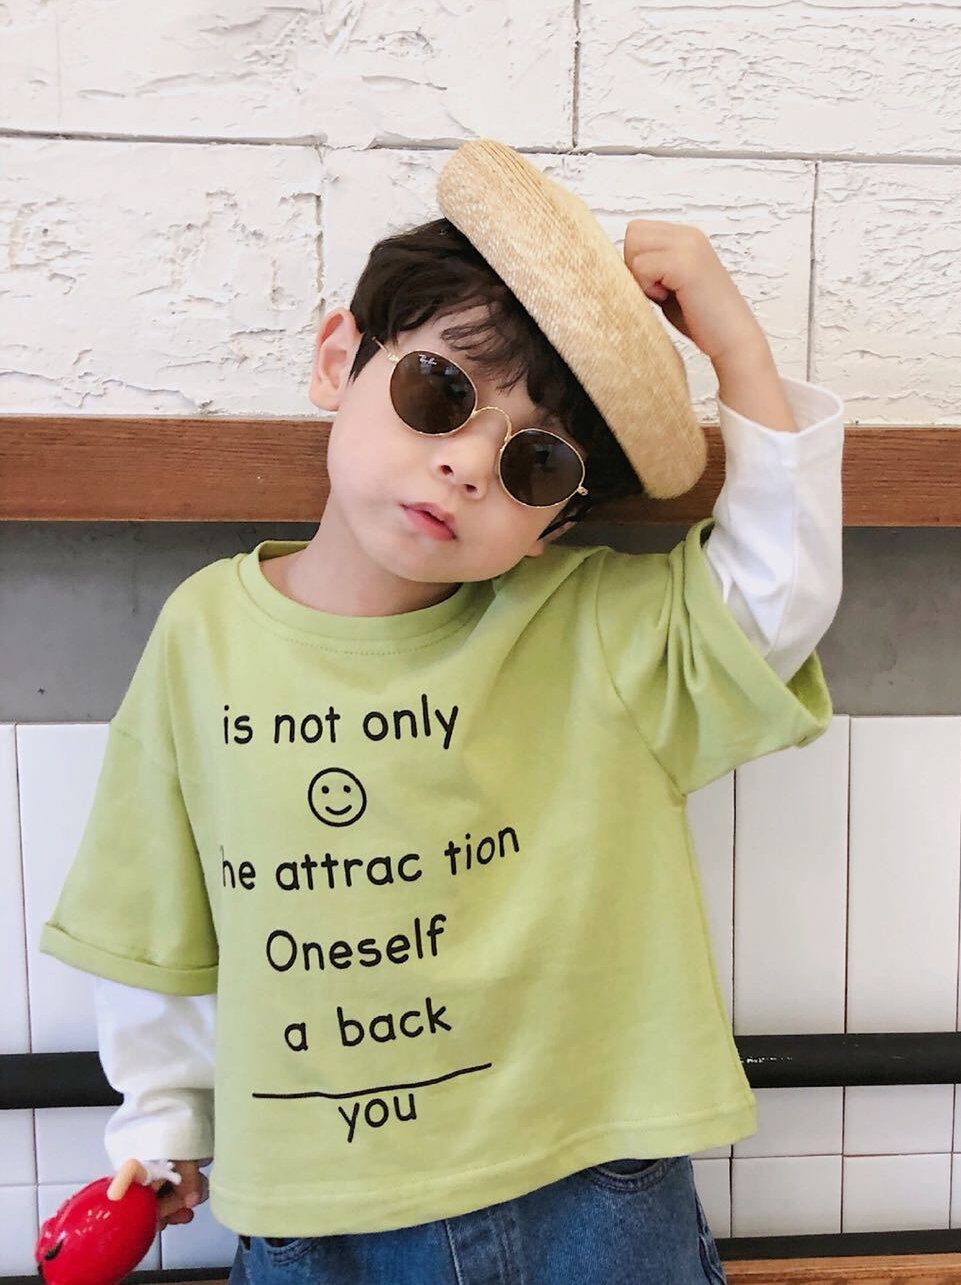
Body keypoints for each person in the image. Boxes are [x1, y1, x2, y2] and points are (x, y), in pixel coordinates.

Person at [39, 139, 844, 1283]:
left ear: (554, 523)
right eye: (439, 392)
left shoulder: (588, 627)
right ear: (338, 358)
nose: (468, 463)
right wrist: (162, 1121)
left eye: (534, 463)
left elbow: (774, 598)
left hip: (589, 1192)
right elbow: (150, 909)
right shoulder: (202, 635)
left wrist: (739, 349)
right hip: (318, 1211)